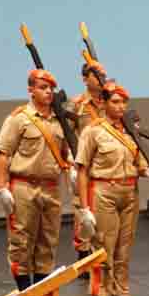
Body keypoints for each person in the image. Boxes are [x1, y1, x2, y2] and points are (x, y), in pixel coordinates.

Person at [76, 81, 149, 296]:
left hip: (129, 192)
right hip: (104, 192)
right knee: (103, 253)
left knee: (123, 254)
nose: (120, 107)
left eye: (123, 102)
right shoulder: (94, 131)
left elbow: (140, 160)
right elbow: (83, 170)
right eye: (115, 102)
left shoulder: (131, 129)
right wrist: (85, 207)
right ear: (104, 103)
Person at [0, 69, 72, 296]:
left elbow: (65, 151)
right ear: (31, 90)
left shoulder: (60, 120)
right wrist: (1, 187)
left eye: (50, 88)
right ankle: (25, 295)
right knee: (21, 241)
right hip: (23, 186)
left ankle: (40, 295)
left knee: (47, 242)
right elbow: (3, 153)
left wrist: (69, 167)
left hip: (51, 187)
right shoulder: (19, 118)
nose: (48, 92)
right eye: (42, 87)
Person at [68, 62, 107, 278]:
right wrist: (69, 160)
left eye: (103, 75)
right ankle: (83, 256)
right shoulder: (77, 105)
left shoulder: (110, 102)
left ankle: (98, 253)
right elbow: (67, 133)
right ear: (85, 79)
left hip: (105, 166)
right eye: (97, 75)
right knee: (81, 209)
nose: (101, 79)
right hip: (83, 163)